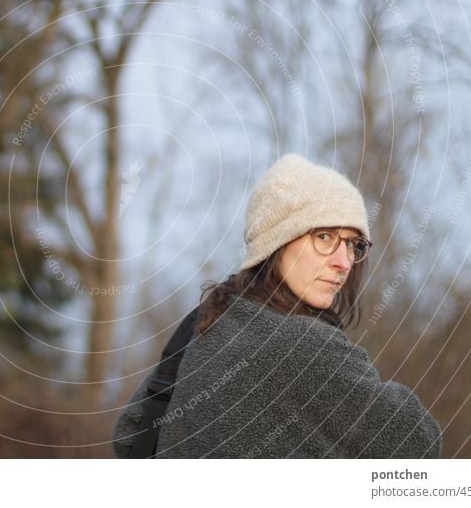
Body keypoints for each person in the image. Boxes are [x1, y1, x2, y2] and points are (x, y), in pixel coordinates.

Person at [112, 154, 442, 458]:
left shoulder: (208, 320)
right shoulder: (304, 346)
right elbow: (417, 443)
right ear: (276, 241)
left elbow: (129, 436)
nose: (344, 262)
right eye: (325, 237)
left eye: (353, 244)